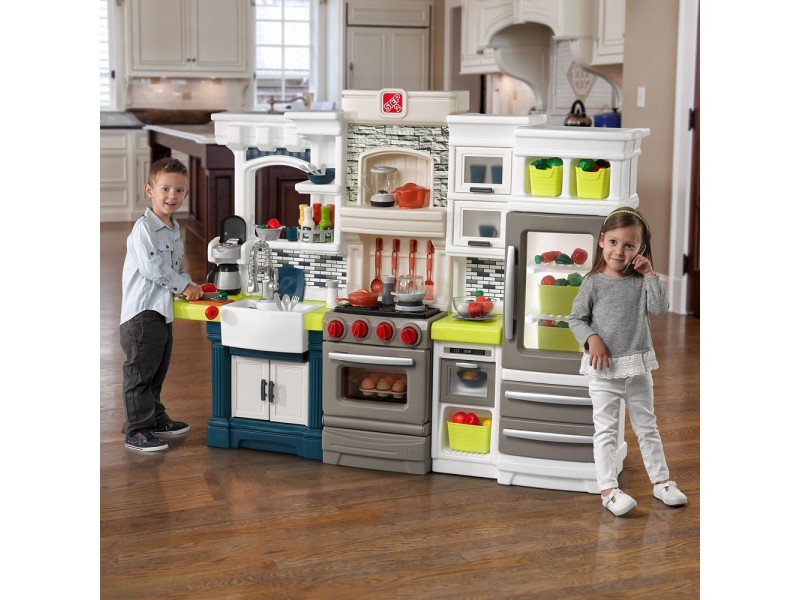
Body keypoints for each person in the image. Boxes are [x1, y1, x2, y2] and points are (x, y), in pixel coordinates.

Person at [568, 207, 687, 516]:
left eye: (629, 245)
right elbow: (576, 318)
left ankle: (661, 482)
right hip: (603, 372)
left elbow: (660, 308)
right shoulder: (593, 282)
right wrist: (592, 338)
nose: (619, 252)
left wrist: (650, 275)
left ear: (641, 249)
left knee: (647, 427)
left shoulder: (641, 281)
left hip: (637, 368)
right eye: (613, 242)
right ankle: (608, 490)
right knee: (605, 431)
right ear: (601, 241)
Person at [119, 157, 204, 452]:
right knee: (140, 374)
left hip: (161, 313)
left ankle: (154, 418)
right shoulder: (143, 229)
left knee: (157, 370)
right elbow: (153, 268)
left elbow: (177, 268)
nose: (172, 195)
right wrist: (183, 286)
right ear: (149, 190)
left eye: (179, 190)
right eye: (165, 188)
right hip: (142, 314)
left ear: (186, 194)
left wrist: (191, 286)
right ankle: (136, 430)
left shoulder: (173, 228)